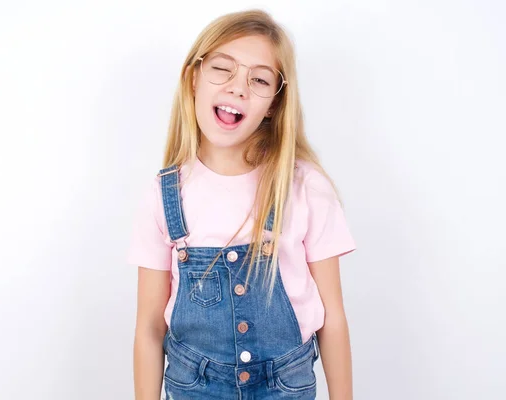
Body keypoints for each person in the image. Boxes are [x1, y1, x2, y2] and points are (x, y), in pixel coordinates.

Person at [128, 9, 357, 400]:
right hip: (192, 387)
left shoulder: (305, 187)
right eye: (223, 68)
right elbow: (150, 326)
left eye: (259, 79)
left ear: (273, 104)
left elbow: (332, 317)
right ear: (194, 77)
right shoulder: (166, 194)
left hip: (286, 387)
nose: (238, 88)